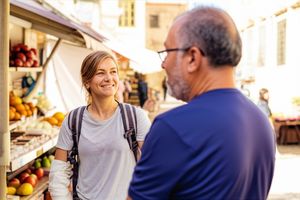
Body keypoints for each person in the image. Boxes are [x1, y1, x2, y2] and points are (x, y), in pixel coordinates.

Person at [128, 6, 275, 200]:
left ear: (193, 58)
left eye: (167, 52)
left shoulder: (173, 127)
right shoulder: (261, 122)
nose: (163, 64)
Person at [48, 51, 151, 200]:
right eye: (101, 73)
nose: (109, 78)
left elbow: (155, 164)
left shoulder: (135, 117)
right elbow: (58, 173)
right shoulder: (73, 120)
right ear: (87, 82)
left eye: (113, 72)